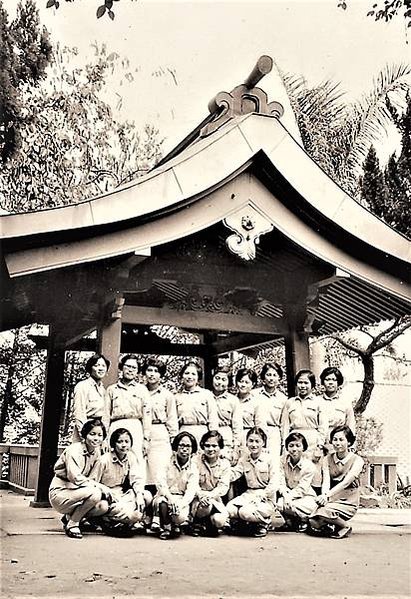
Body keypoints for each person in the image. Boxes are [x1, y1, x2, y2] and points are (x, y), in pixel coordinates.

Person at [49, 419, 110, 539]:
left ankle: (69, 518)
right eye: (92, 434)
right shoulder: (74, 450)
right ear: (85, 435)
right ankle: (73, 523)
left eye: (100, 435)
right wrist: (101, 487)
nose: (96, 438)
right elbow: (75, 477)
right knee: (96, 492)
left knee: (103, 506)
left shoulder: (96, 452)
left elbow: (93, 478)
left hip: (80, 492)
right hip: (61, 491)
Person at [89, 428, 152, 536]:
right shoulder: (104, 460)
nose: (124, 445)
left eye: (127, 442)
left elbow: (136, 479)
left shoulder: (131, 457)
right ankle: (108, 521)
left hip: (123, 494)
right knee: (134, 515)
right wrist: (104, 491)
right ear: (113, 444)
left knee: (146, 495)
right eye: (120, 442)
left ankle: (125, 522)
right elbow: (91, 482)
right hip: (107, 497)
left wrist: (139, 496)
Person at [309, 425, 364, 539]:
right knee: (313, 520)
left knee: (323, 512)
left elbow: (346, 482)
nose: (337, 443)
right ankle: (332, 525)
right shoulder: (327, 459)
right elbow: (326, 482)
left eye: (341, 439)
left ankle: (345, 525)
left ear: (349, 442)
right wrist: (324, 497)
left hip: (349, 500)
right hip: (332, 498)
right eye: (335, 439)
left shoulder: (357, 460)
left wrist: (327, 496)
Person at [227, 427, 279, 538]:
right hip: (249, 494)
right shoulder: (244, 459)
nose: (253, 445)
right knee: (230, 509)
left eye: (257, 441)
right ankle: (248, 524)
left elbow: (274, 484)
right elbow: (234, 474)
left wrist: (263, 495)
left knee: (245, 512)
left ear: (263, 443)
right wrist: (223, 465)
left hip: (266, 497)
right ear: (246, 442)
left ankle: (264, 523)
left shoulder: (270, 460)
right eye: (251, 441)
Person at [152, 431, 199, 540]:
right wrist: (170, 499)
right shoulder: (166, 462)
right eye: (181, 445)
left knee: (180, 517)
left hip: (181, 499)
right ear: (176, 447)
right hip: (165, 496)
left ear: (192, 449)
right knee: (162, 502)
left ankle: (177, 525)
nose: (184, 449)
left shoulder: (193, 468)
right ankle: (166, 528)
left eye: (188, 446)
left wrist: (181, 504)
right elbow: (161, 483)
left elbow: (191, 491)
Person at [106, 354, 152, 463]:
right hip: (116, 425)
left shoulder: (142, 390)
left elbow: (147, 415)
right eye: (128, 366)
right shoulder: (112, 389)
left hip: (135, 426)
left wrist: (146, 439)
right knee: (113, 460)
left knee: (136, 460)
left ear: (137, 371)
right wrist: (104, 437)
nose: (130, 370)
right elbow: (106, 415)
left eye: (134, 368)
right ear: (121, 368)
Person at [143, 357, 178, 488]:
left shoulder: (167, 395)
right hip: (142, 430)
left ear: (161, 375)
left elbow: (171, 419)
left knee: (159, 468)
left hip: (159, 432)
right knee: (143, 469)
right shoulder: (139, 391)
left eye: (156, 371)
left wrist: (174, 439)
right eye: (149, 370)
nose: (152, 374)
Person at [191, 430, 230, 536]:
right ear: (203, 447)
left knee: (219, 520)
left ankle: (209, 523)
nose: (210, 449)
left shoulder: (225, 464)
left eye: (214, 446)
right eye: (207, 446)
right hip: (198, 500)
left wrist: (209, 496)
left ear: (220, 447)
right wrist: (201, 495)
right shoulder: (195, 461)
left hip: (215, 499)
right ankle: (197, 522)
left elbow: (223, 486)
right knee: (206, 507)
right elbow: (192, 483)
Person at [276, 432, 318, 531]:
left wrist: (288, 498)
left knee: (287, 504)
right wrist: (286, 495)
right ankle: (290, 522)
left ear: (303, 448)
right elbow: (280, 482)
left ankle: (304, 521)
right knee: (279, 503)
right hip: (287, 496)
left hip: (306, 497)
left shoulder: (309, 466)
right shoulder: (281, 462)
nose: (294, 449)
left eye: (298, 446)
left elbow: (302, 489)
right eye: (291, 446)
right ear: (287, 448)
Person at [282, 369, 328, 455]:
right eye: (300, 382)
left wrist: (320, 445)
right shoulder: (290, 402)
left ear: (312, 385)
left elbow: (323, 426)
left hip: (312, 442)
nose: (302, 386)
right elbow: (285, 427)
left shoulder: (319, 402)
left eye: (306, 383)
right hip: (294, 441)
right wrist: (284, 445)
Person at [175, 361, 219, 444]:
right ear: (182, 376)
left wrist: (212, 437)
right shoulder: (176, 397)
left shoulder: (207, 394)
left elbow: (213, 418)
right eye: (187, 373)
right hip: (183, 433)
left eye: (193, 374)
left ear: (198, 377)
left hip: (202, 433)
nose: (189, 377)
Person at [72, 354, 110, 442]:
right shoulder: (82, 386)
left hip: (99, 433)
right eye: (96, 365)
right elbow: (79, 414)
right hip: (86, 431)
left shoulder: (104, 390)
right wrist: (85, 436)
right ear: (90, 368)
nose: (100, 368)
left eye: (103, 366)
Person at [254, 362, 287, 462]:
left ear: (279, 378)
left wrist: (283, 444)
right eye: (268, 375)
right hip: (256, 433)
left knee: (273, 463)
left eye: (274, 375)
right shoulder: (254, 394)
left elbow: (284, 424)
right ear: (263, 377)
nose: (271, 378)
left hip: (274, 435)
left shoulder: (283, 399)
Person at [211, 367, 242, 464]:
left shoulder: (233, 400)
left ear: (228, 382)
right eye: (217, 378)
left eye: (224, 380)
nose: (219, 382)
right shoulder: (206, 396)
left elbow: (237, 426)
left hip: (226, 439)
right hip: (209, 439)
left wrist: (236, 449)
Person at [320, 367, 356, 438]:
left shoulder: (345, 402)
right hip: (321, 439)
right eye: (327, 379)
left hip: (339, 440)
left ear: (338, 382)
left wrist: (351, 445)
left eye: (334, 380)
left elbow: (351, 423)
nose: (330, 382)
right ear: (323, 382)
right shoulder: (316, 401)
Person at [235, 368, 265, 445]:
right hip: (233, 437)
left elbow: (260, 425)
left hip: (249, 438)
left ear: (253, 384)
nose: (243, 385)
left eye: (247, 382)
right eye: (241, 381)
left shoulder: (256, 402)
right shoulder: (231, 400)